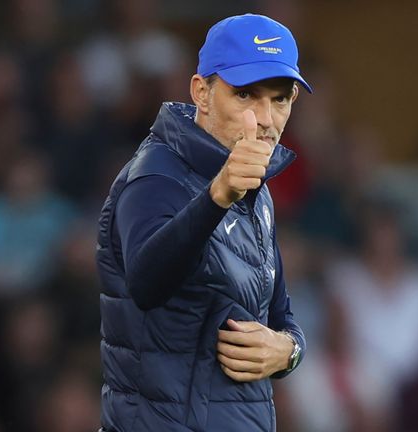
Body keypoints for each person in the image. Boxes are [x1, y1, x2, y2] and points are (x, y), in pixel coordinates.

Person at [95, 14, 311, 431]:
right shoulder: (156, 176)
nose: (266, 119)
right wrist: (217, 196)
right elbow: (145, 282)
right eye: (246, 95)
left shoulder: (255, 190)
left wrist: (288, 352)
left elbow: (280, 312)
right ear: (202, 93)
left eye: (280, 98)